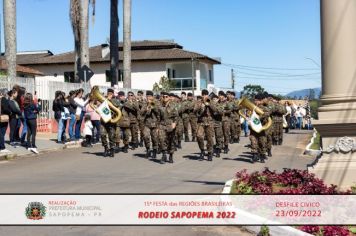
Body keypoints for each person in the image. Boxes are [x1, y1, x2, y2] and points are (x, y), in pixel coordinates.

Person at [195, 89, 218, 161]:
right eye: (203, 95)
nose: (204, 96)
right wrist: (202, 105)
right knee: (199, 136)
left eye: (205, 95)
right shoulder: (199, 102)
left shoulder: (211, 101)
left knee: (209, 139)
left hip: (209, 122)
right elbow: (194, 110)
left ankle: (210, 153)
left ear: (207, 95)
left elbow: (216, 110)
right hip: (201, 122)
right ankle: (202, 150)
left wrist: (209, 104)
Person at [141, 90, 160, 159]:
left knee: (155, 138)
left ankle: (155, 150)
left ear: (152, 97)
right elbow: (141, 112)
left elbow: (158, 111)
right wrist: (146, 109)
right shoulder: (144, 103)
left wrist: (153, 106)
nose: (148, 97)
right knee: (145, 136)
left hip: (155, 124)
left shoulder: (157, 102)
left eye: (149, 96)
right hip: (147, 124)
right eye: (147, 96)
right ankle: (148, 149)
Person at [0, 89, 11, 153]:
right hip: (3, 118)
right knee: (2, 133)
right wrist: (10, 113)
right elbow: (6, 109)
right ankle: (2, 147)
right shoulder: (3, 99)